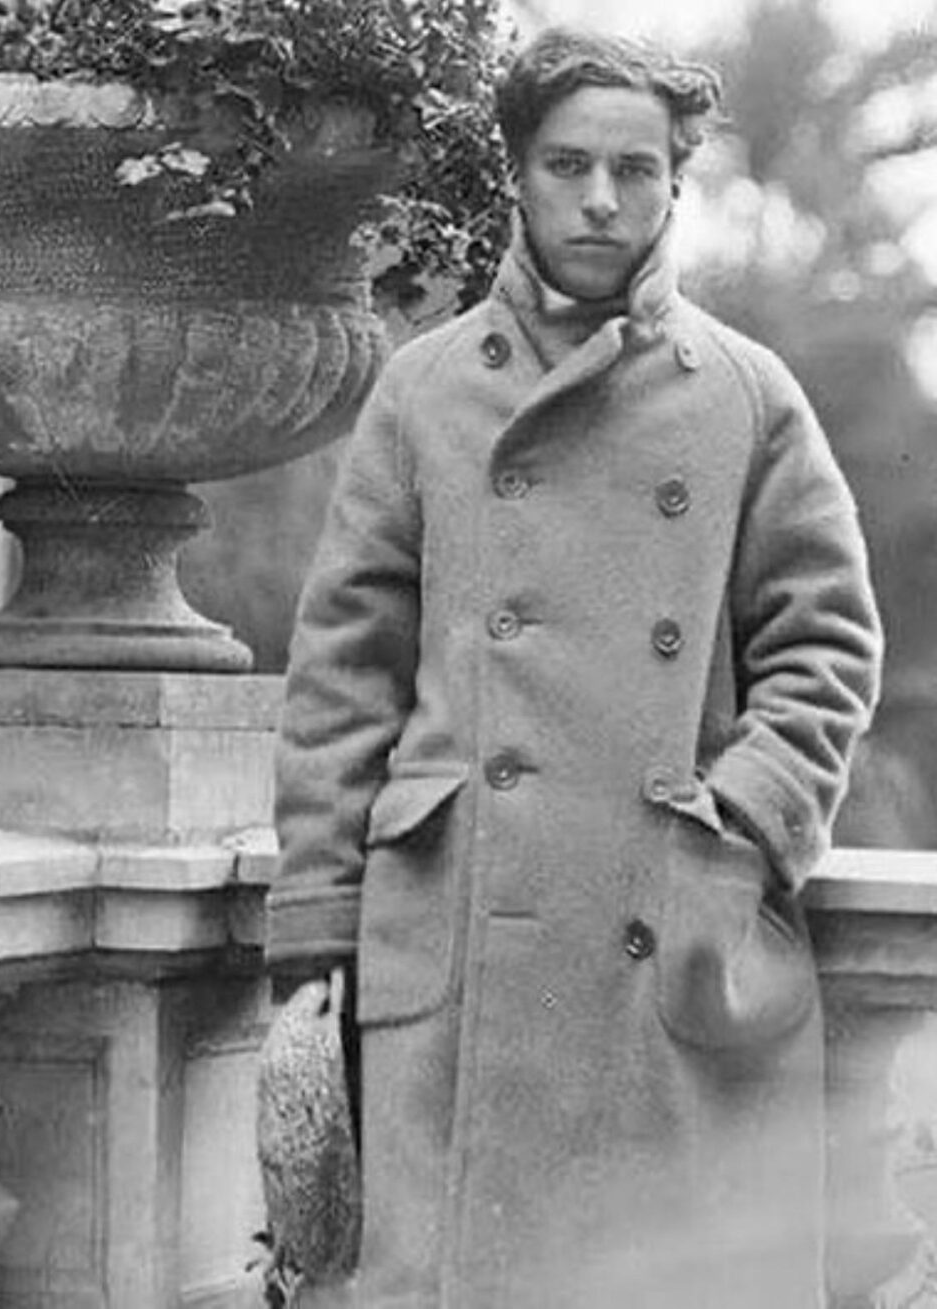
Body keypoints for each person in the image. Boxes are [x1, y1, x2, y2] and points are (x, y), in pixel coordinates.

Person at [265, 27, 883, 1309]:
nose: (601, 198)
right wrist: (316, 927)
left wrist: (738, 833)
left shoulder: (748, 398)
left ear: (674, 186)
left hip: (667, 939)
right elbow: (343, 680)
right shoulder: (423, 393)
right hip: (455, 942)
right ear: (520, 175)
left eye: (635, 170)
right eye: (569, 165)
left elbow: (826, 647)